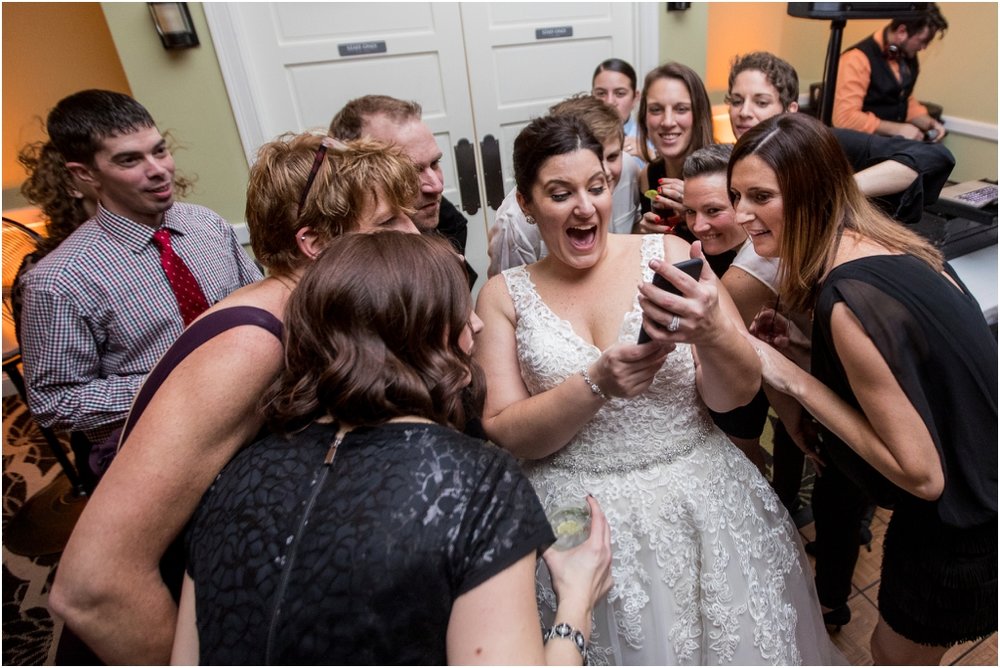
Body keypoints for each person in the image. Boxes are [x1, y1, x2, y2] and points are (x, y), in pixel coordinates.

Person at [474, 113, 842, 664]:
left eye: (597, 187)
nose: (585, 207)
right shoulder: (503, 296)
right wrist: (595, 383)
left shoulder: (668, 257)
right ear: (526, 204)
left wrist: (715, 333)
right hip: (575, 523)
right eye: (560, 193)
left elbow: (735, 394)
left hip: (699, 504)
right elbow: (505, 431)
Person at [49, 133, 420, 664]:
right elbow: (93, 586)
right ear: (314, 243)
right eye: (387, 223)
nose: (414, 232)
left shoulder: (311, 319)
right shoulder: (253, 344)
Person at [171, 231, 613, 665]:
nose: (476, 323)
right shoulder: (475, 484)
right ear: (417, 332)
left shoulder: (235, 477)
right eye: (457, 309)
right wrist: (574, 608)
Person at [730, 112, 997, 665]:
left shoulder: (847, 300)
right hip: (987, 479)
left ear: (813, 194)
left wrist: (792, 378)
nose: (740, 215)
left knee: (891, 654)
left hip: (962, 528)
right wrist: (802, 351)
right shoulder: (895, 246)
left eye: (760, 196)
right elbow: (912, 384)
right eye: (737, 195)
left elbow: (921, 475)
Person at [18, 90, 261, 451]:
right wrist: (174, 383)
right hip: (154, 447)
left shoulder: (208, 225)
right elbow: (55, 403)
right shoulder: (57, 281)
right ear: (85, 174)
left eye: (159, 151)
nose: (158, 170)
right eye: (130, 160)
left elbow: (257, 308)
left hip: (253, 418)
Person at [728, 51, 954, 225]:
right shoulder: (731, 162)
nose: (744, 112)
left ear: (790, 110)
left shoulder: (823, 144)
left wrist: (837, 191)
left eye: (761, 102)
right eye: (737, 101)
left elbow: (934, 156)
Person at [329, 94, 478, 286]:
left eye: (434, 163)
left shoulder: (448, 224)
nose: (436, 186)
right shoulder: (339, 274)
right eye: (411, 172)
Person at [487, 93, 640, 276]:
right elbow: (509, 293)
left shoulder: (629, 170)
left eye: (613, 157)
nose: (605, 172)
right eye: (561, 195)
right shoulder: (514, 225)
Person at [833, 4, 948, 142]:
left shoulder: (907, 53)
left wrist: (930, 123)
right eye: (923, 41)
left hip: (889, 145)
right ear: (902, 32)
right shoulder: (856, 59)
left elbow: (902, 98)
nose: (923, 48)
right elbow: (844, 118)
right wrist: (897, 129)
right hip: (861, 149)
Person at [635, 62, 716, 240]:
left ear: (698, 115)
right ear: (644, 118)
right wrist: (643, 232)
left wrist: (694, 212)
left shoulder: (723, 174)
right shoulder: (648, 175)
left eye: (681, 109)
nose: (668, 121)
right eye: (656, 110)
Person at [591, 57, 645, 167]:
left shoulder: (648, 140)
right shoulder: (580, 137)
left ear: (635, 97)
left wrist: (650, 157)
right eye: (601, 93)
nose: (609, 102)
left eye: (620, 93)